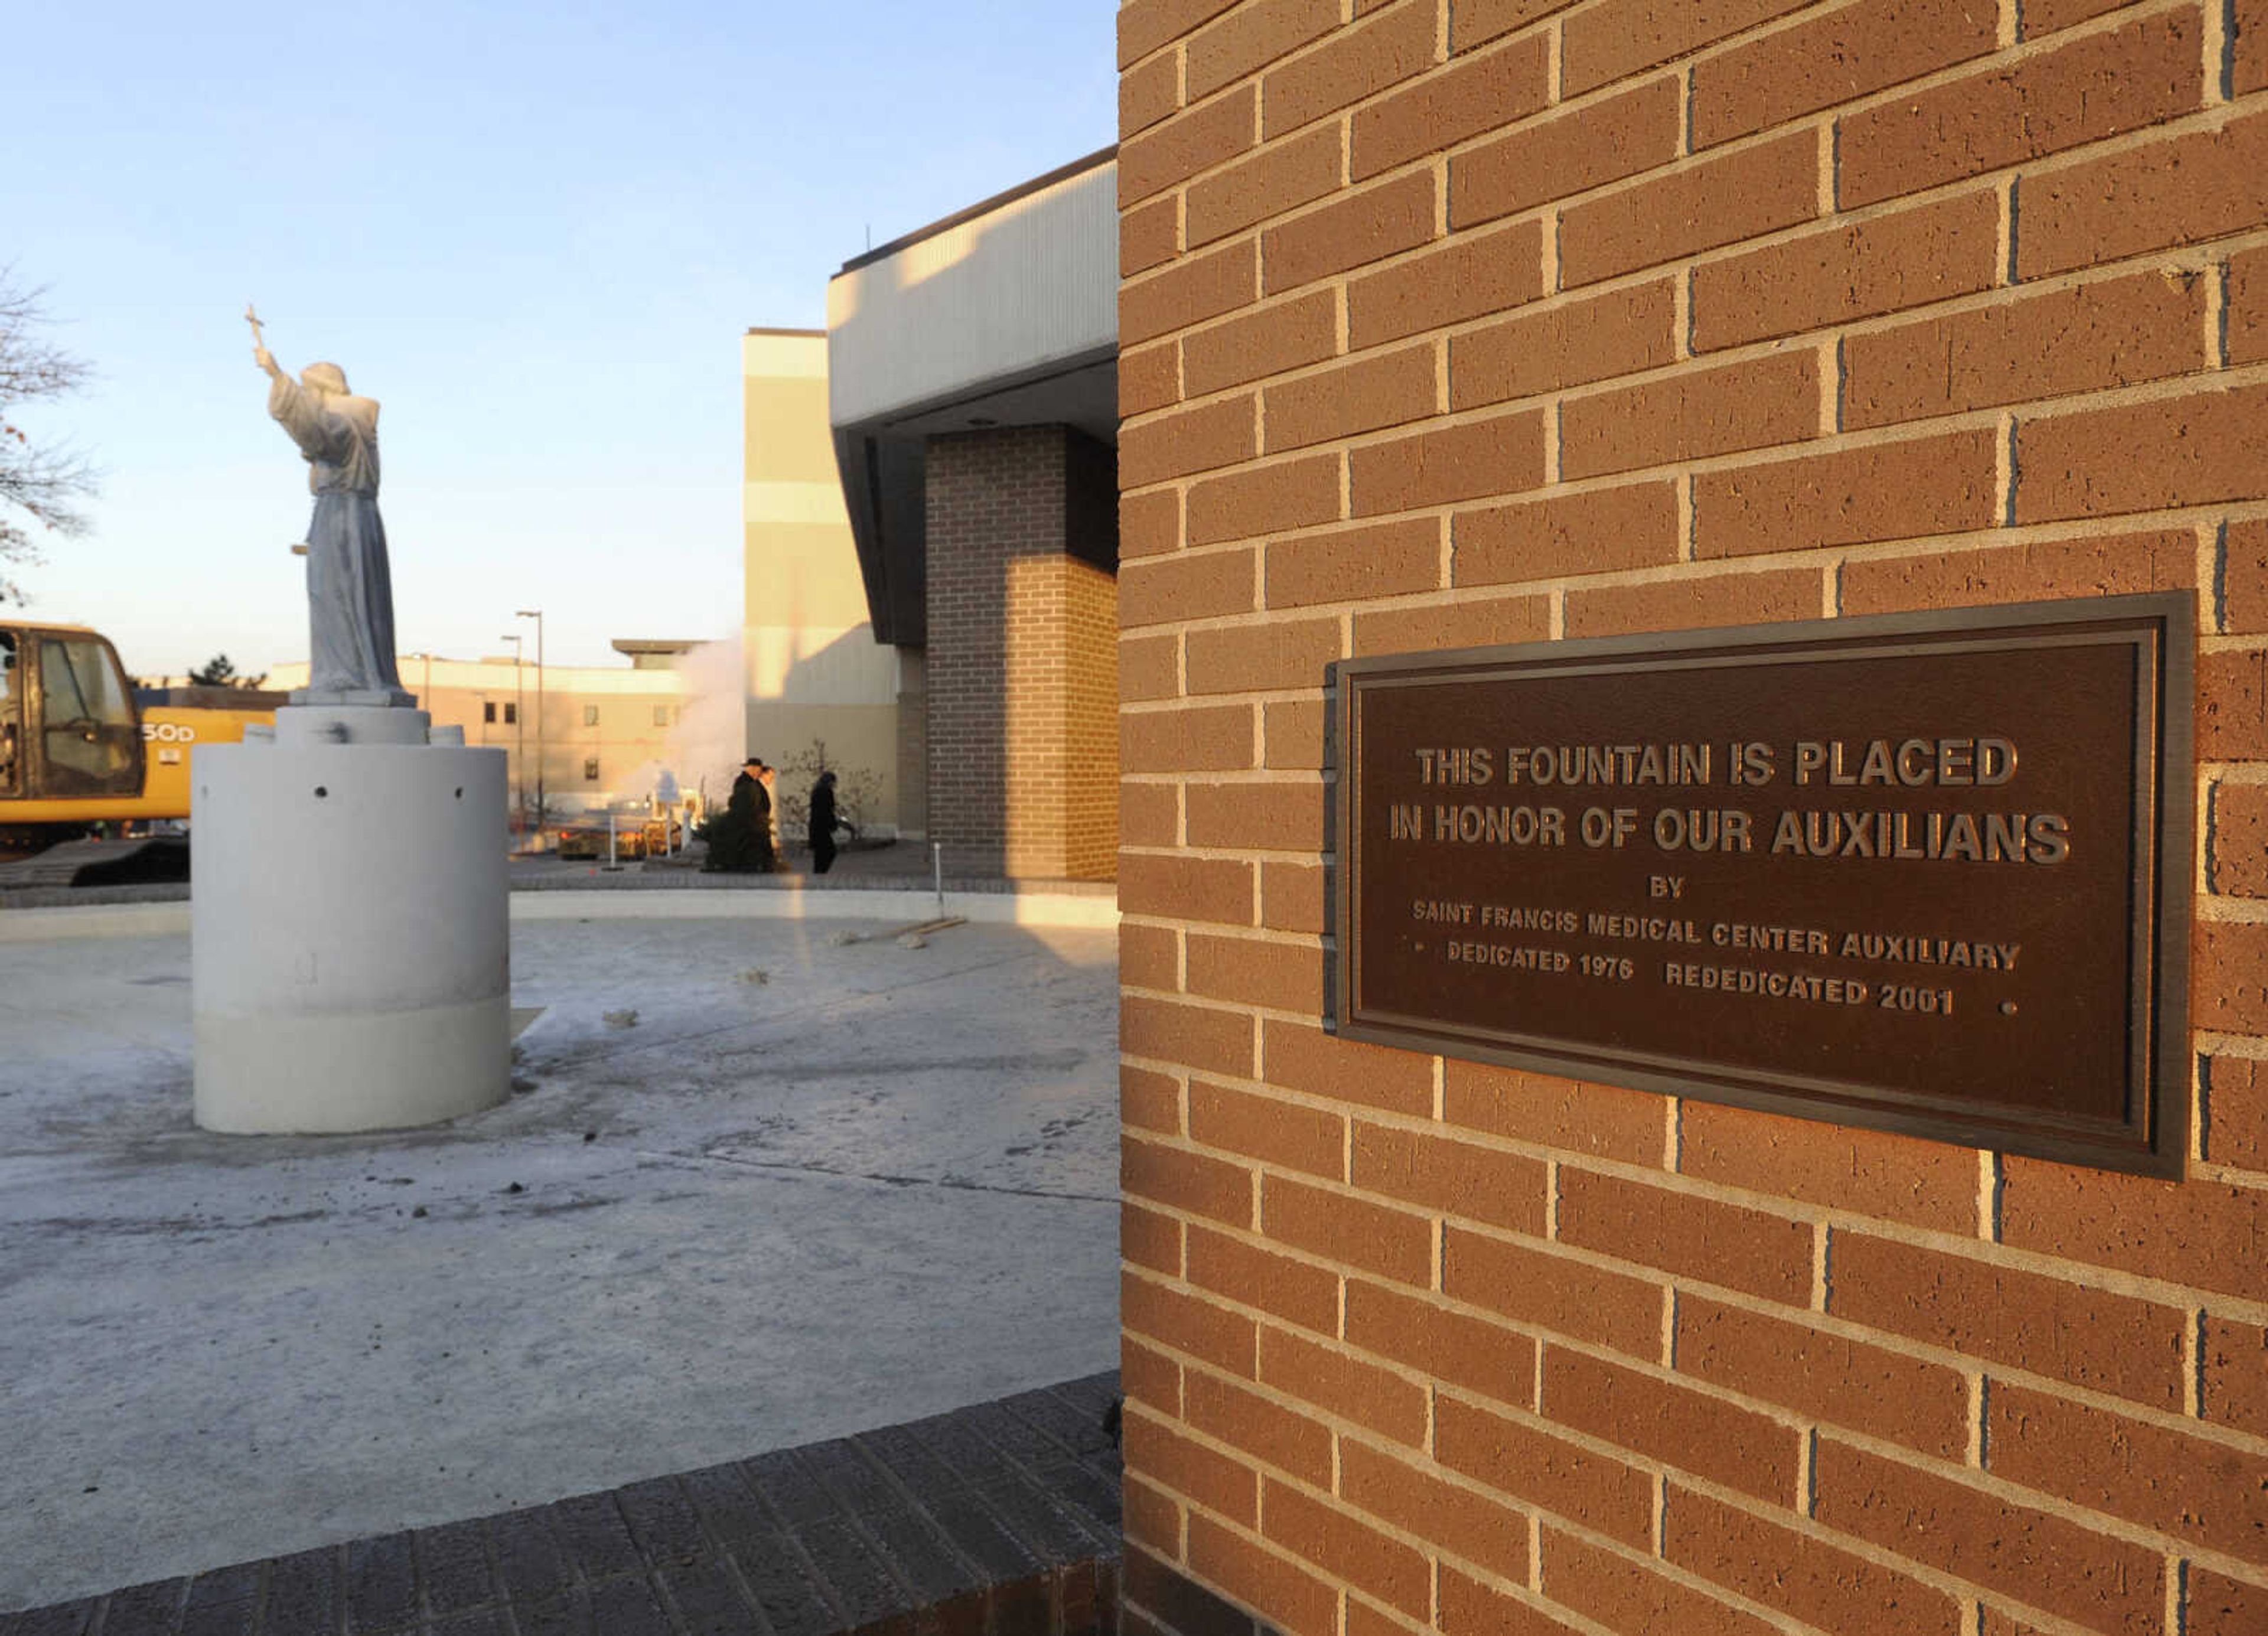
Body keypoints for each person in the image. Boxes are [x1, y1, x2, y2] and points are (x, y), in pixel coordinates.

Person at [254, 343, 411, 704]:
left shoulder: (347, 423)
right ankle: (341, 673)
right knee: (336, 593)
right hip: (347, 514)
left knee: (339, 592)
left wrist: (278, 376)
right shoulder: (355, 424)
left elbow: (315, 429)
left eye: (311, 391)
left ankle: (345, 676)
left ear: (323, 390)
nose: (309, 398)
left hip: (342, 516)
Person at [703, 757, 776, 873]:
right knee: (756, 844)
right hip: (751, 822)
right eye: (757, 770)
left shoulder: (752, 782)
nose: (759, 773)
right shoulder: (745, 782)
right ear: (753, 769)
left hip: (757, 821)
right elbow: (744, 803)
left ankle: (765, 865)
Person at [806, 770, 856, 875]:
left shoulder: (817, 791)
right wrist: (833, 825)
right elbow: (827, 810)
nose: (834, 784)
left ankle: (819, 873)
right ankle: (821, 873)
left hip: (816, 826)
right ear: (830, 782)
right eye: (833, 782)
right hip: (822, 827)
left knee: (820, 853)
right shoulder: (826, 792)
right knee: (829, 851)